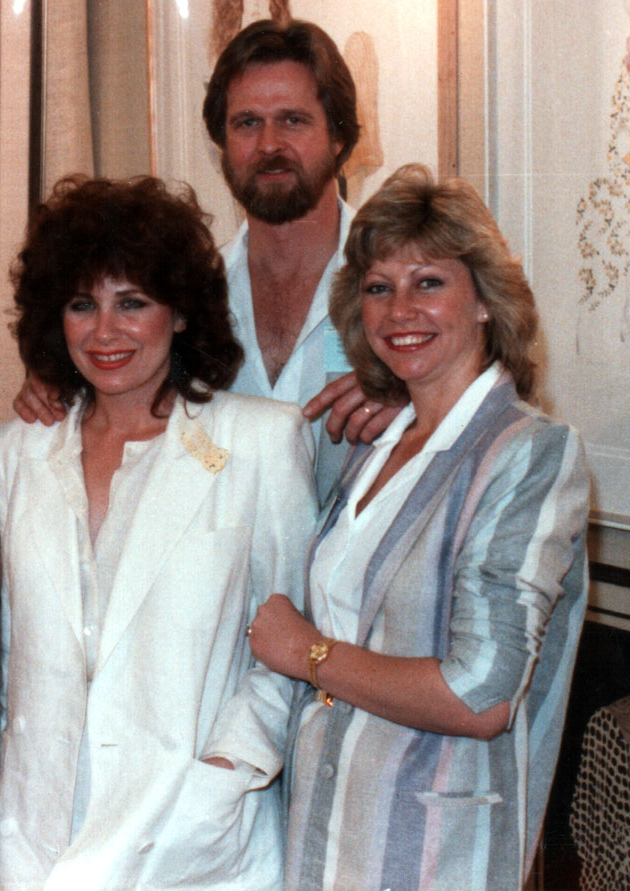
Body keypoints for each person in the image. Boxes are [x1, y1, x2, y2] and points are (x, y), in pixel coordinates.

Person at [247, 164, 590, 889]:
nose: (400, 309)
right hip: (322, 841)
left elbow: (480, 695)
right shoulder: (376, 445)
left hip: (432, 857)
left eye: (428, 282)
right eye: (379, 288)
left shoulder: (529, 452)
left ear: (485, 301)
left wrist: (306, 652)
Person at [0, 176, 316, 889]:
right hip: (40, 836)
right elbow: (12, 649)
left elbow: (293, 640)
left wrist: (228, 768)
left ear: (182, 312)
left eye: (132, 302)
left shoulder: (259, 442)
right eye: (82, 304)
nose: (104, 331)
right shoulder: (18, 451)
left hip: (192, 838)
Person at [14, 19, 398, 503]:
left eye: (293, 120)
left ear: (339, 137)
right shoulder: (187, 294)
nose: (269, 144)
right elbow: (126, 394)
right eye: (247, 123)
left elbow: (472, 394)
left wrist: (420, 395)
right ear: (222, 143)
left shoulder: (405, 291)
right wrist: (58, 379)